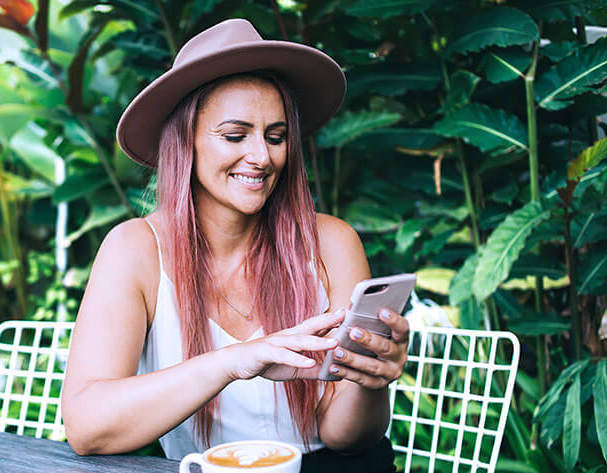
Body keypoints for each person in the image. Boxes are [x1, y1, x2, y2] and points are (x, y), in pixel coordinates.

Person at [61, 18, 409, 473]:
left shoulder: (330, 242)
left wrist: (370, 380)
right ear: (186, 142)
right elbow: (87, 427)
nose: (262, 157)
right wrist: (231, 362)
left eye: (276, 136)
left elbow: (342, 436)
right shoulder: (135, 249)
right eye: (234, 135)